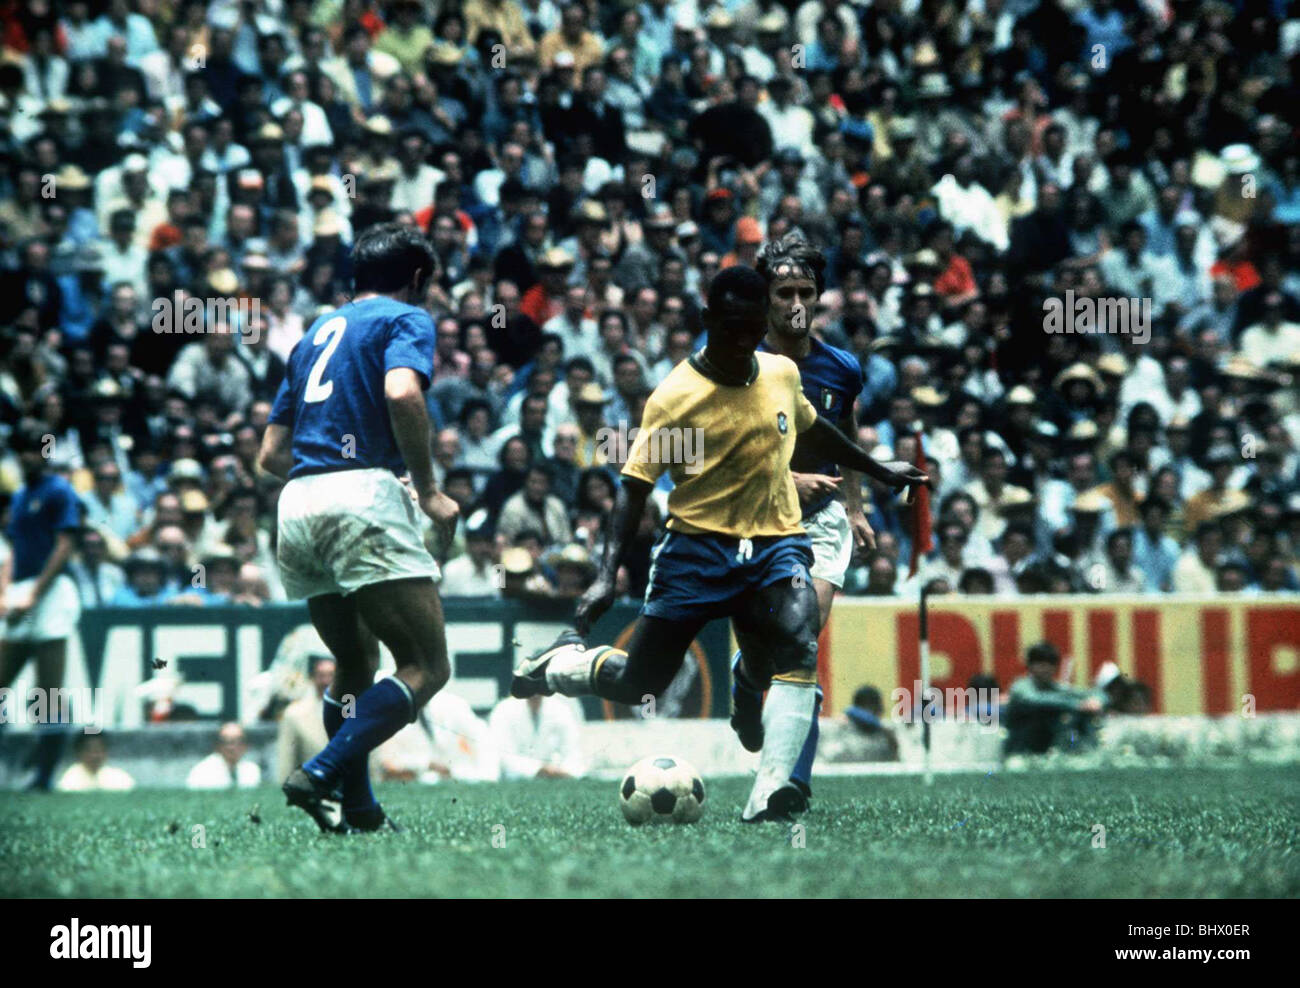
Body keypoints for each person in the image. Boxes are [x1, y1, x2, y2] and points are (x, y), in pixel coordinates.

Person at [511, 266, 927, 822]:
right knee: (642, 683)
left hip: (776, 543)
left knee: (799, 641)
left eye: (751, 328)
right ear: (708, 321)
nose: (740, 340)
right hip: (696, 552)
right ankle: (563, 665)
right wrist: (605, 573)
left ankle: (773, 792)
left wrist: (877, 469)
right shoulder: (676, 398)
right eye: (729, 327)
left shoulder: (780, 372)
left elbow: (813, 429)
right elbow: (632, 489)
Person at [258, 223, 460, 834]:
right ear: (418, 279)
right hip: (361, 495)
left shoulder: (316, 332)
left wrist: (326, 474)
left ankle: (362, 810)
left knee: (352, 663)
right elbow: (402, 393)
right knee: (427, 665)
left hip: (297, 502)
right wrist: (426, 489)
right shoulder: (405, 318)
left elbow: (268, 455)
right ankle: (321, 770)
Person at [729, 233, 872, 812]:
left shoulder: (841, 367)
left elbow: (848, 436)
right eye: (783, 290)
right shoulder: (738, 363)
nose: (794, 301)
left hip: (821, 520)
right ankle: (745, 680)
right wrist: (787, 483)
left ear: (819, 298)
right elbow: (724, 451)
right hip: (754, 515)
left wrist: (856, 506)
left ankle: (790, 783)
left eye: (805, 291)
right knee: (768, 653)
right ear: (765, 297)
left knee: (802, 640)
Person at [1, 421, 84, 791]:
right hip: (23, 589)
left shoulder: (59, 490)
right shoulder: (19, 496)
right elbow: (15, 549)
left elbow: (64, 545)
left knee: (47, 691)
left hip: (51, 594)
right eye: (22, 449)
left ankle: (44, 777)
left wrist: (34, 592)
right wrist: (8, 592)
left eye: (35, 448)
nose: (27, 456)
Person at [1004, 642, 1103, 755]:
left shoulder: (1056, 688)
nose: (1046, 668)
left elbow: (1095, 694)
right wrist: (1076, 705)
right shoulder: (1021, 686)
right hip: (1019, 752)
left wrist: (1096, 701)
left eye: (1050, 663)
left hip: (1046, 751)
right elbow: (1036, 700)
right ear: (1030, 665)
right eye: (1040, 663)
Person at [488, 694, 586, 780]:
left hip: (555, 782)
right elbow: (504, 757)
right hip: (514, 782)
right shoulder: (503, 710)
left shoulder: (561, 710)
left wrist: (565, 772)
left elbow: (573, 752)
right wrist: (538, 770)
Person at [274, 656, 335, 784]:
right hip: (312, 786)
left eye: (331, 675)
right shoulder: (294, 714)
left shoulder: (352, 708)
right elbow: (286, 758)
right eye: (321, 675)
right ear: (312, 678)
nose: (326, 681)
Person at [186, 722, 263, 789]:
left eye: (239, 741)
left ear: (246, 745)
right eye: (227, 741)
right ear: (217, 745)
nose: (232, 747)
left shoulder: (252, 769)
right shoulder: (202, 772)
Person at [56, 732, 136, 792]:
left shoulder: (118, 776)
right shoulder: (70, 777)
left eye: (99, 750)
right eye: (89, 750)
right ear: (79, 752)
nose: (95, 756)